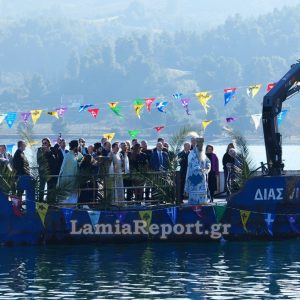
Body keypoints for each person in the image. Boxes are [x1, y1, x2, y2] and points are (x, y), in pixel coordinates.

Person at [185, 137, 211, 204]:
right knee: (194, 194)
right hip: (194, 176)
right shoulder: (192, 153)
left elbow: (207, 161)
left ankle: (203, 204)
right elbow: (192, 163)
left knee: (202, 193)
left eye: (202, 144)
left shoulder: (203, 153)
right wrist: (200, 169)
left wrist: (208, 166)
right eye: (199, 144)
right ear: (197, 144)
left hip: (202, 177)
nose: (201, 145)